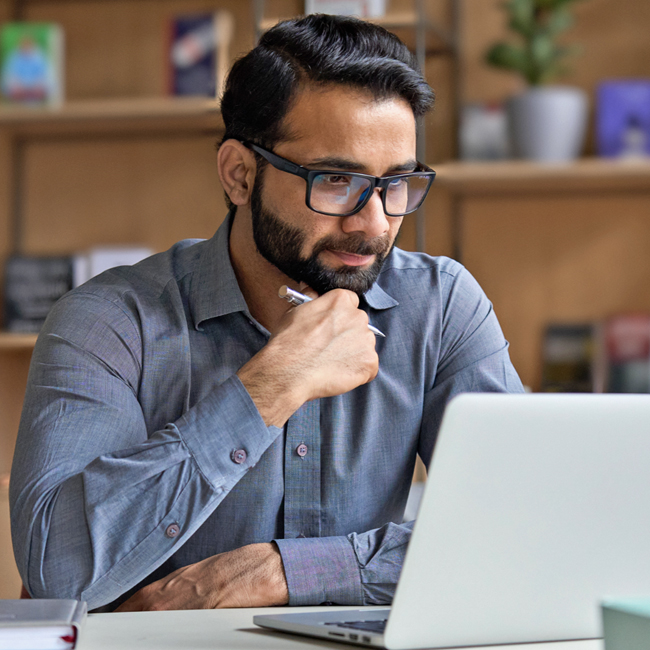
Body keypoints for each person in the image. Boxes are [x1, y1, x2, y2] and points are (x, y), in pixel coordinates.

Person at [10, 14, 523, 612]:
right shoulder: (107, 322)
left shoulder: (440, 307)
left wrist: (278, 572)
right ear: (239, 174)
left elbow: (527, 527)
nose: (376, 223)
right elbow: (59, 572)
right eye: (336, 180)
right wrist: (268, 387)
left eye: (397, 183)